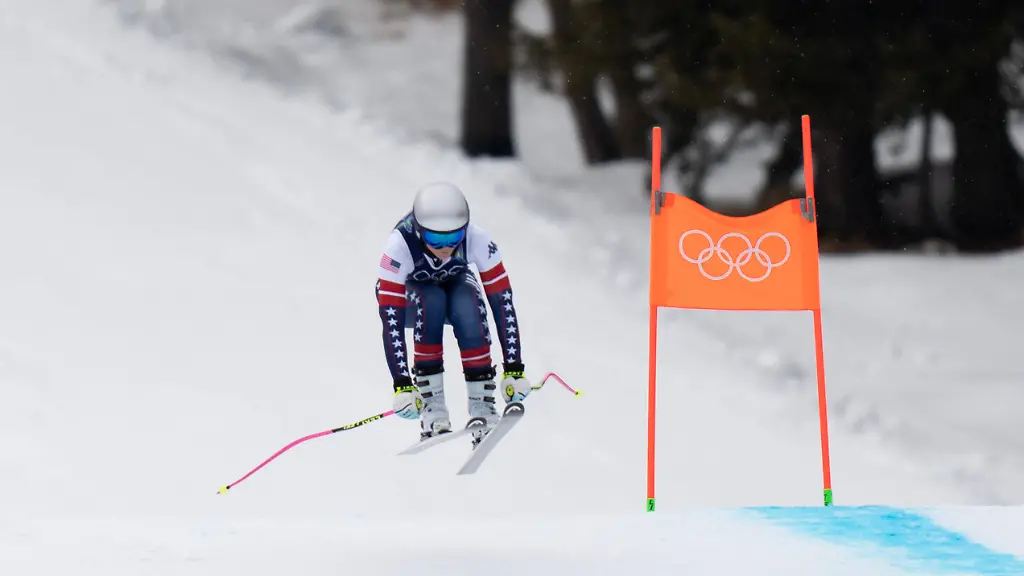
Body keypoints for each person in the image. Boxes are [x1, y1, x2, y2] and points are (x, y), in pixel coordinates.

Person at [375, 182, 532, 447]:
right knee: (432, 300)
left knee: (469, 301)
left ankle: (483, 404)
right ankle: (432, 408)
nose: (445, 247)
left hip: (455, 286)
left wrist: (514, 368)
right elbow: (391, 320)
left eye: (454, 237)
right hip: (412, 299)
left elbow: (502, 303)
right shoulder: (398, 247)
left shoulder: (478, 239)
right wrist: (402, 384)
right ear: (419, 230)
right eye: (435, 239)